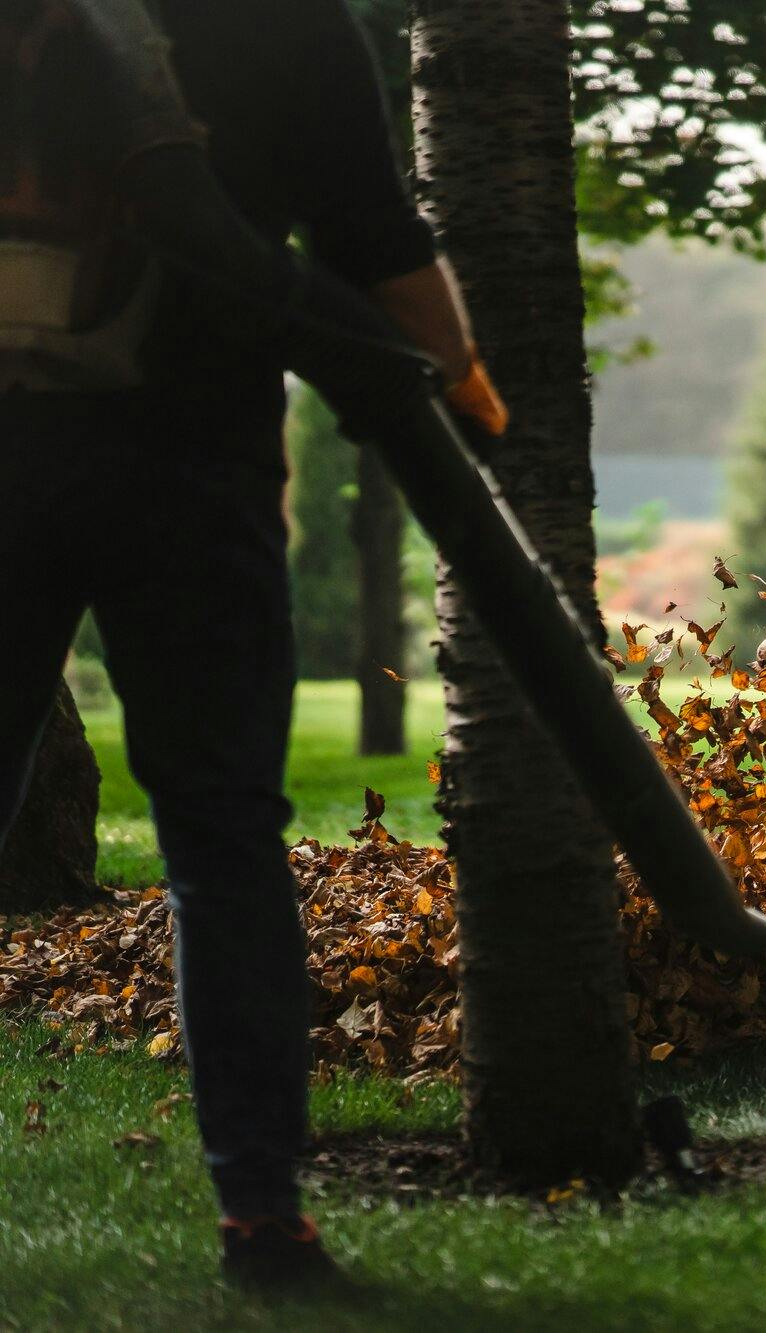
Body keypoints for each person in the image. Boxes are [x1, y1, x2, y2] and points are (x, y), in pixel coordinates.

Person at [0, 0, 500, 1291]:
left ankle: (267, 1212)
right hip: (195, 478)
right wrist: (453, 379)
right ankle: (264, 1219)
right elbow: (372, 239)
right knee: (224, 844)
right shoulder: (286, 26)